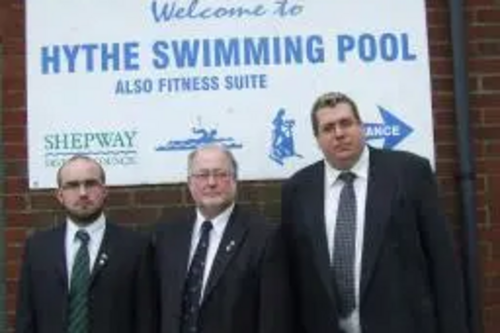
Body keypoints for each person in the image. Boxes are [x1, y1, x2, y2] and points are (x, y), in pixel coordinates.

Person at [281, 92, 468, 333]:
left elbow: (442, 263)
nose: (339, 133)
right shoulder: (297, 190)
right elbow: (291, 275)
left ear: (361, 127)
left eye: (346, 123)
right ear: (317, 139)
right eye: (328, 128)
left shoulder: (410, 173)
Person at [153, 144, 292, 333]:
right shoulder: (167, 236)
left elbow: (273, 317)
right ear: (190, 183)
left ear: (235, 180)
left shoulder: (264, 237)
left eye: (220, 174)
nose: (211, 182)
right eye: (202, 175)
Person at [15, 155, 156, 333]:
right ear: (60, 195)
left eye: (90, 184)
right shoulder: (38, 248)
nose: (82, 193)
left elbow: (146, 319)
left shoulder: (135, 247)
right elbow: (26, 318)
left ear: (104, 191)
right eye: (73, 185)